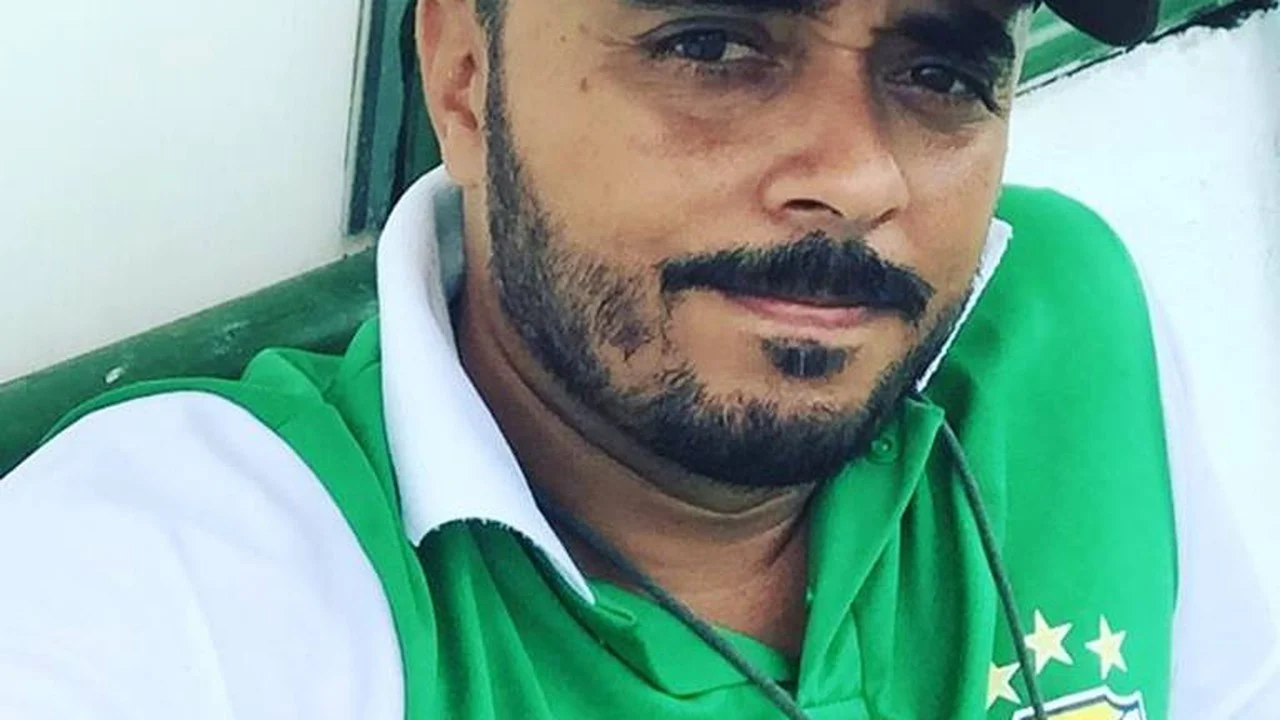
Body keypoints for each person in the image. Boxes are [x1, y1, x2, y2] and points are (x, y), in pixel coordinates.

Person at [0, 0, 1276, 717]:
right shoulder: (184, 577)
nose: (856, 175)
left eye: (941, 71)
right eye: (711, 44)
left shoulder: (1057, 316)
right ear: (463, 78)